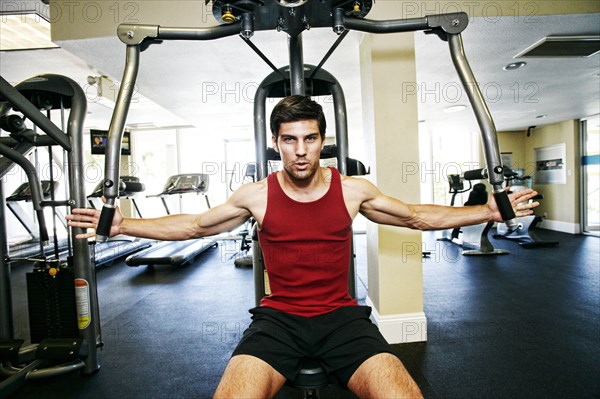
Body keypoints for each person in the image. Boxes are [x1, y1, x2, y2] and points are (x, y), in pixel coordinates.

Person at [67, 95, 539, 398]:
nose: (300, 150)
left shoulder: (354, 189)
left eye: (309, 139)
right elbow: (193, 225)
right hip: (278, 320)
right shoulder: (255, 195)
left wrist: (488, 212)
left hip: (342, 319)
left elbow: (417, 215)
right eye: (289, 140)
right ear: (276, 144)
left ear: (321, 141)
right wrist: (122, 222)